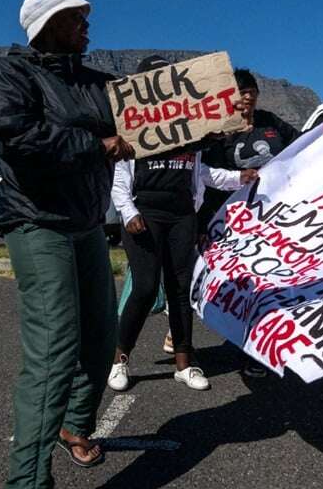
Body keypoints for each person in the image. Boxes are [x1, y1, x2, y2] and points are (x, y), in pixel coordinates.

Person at [0, 0, 135, 489]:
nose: (89, 26)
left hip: (86, 224)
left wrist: (209, 120)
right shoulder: (9, 78)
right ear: (45, 23)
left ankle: (75, 423)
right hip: (36, 222)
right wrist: (100, 146)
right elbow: (18, 138)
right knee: (52, 352)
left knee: (102, 338)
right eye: (78, 18)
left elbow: (146, 122)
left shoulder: (96, 84)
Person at [107, 56, 255, 393]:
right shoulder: (133, 129)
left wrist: (238, 178)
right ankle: (119, 359)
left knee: (180, 290)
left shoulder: (191, 129)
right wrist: (128, 213)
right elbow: (118, 178)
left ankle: (184, 364)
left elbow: (200, 173)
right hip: (145, 215)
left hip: (181, 216)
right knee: (144, 289)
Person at [200, 68, 301, 376]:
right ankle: (248, 347)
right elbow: (207, 175)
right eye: (240, 91)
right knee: (247, 282)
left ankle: (273, 345)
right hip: (236, 221)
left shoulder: (272, 122)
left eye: (251, 90)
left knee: (276, 279)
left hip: (275, 216)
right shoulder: (218, 131)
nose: (247, 96)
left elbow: (303, 145)